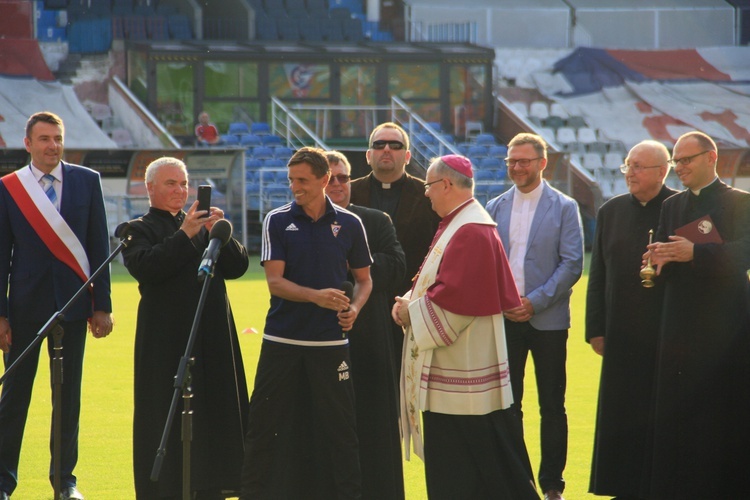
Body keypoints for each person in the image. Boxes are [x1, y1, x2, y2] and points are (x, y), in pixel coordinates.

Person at [393, 154, 539, 499]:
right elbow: (439, 284)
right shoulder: (462, 222)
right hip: (461, 367)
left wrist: (409, 313)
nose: (426, 194)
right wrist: (412, 299)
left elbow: (457, 301)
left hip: (462, 372)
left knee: (472, 467)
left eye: (429, 186)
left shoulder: (470, 229)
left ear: (445, 184)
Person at [241, 147, 373, 499]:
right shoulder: (277, 220)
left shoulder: (349, 223)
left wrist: (355, 309)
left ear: (324, 179)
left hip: (331, 344)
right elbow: (275, 282)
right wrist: (317, 296)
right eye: (291, 180)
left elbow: (365, 280)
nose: (294, 187)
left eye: (302, 180)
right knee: (262, 425)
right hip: (282, 341)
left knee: (342, 430)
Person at [0, 111, 113, 500]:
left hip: (75, 305)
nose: (52, 145)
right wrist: (0, 313)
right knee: (14, 395)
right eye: (44, 139)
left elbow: (99, 247)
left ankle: (65, 482)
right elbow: (0, 256)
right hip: (24, 309)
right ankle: (3, 481)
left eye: (58, 138)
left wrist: (103, 306)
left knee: (68, 395)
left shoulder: (87, 181)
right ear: (28, 143)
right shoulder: (9, 188)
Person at [122, 157, 250, 499]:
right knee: (165, 410)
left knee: (216, 407)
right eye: (170, 184)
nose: (180, 190)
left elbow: (237, 267)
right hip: (166, 339)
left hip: (212, 335)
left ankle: (215, 484)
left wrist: (219, 233)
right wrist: (185, 234)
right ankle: (165, 488)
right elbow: (147, 268)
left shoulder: (201, 224)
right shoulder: (137, 229)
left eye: (183, 184)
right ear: (150, 188)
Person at [644, 131, 750, 498]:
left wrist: (696, 253)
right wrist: (658, 260)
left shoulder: (740, 201)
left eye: (686, 159)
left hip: (726, 325)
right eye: (676, 160)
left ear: (711, 157)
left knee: (722, 412)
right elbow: (669, 254)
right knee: (678, 412)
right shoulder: (672, 205)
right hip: (678, 324)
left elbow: (745, 253)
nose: (680, 167)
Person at [485, 132, 583, 500]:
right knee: (509, 405)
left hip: (548, 321)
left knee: (552, 405)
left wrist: (534, 302)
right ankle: (518, 479)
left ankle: (553, 484)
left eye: (523, 160)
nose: (516, 167)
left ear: (542, 163)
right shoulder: (495, 206)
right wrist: (506, 301)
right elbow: (489, 263)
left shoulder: (564, 206)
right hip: (505, 319)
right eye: (512, 160)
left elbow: (572, 263)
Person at [585, 141, 677, 499]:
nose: (630, 173)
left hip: (665, 333)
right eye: (627, 165)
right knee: (619, 415)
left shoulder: (680, 209)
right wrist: (595, 329)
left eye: (638, 166)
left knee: (659, 413)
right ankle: (619, 486)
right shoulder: (610, 211)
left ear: (661, 171)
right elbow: (598, 276)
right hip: (619, 334)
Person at [325, 150, 406, 499]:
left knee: (375, 427)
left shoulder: (374, 220)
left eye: (344, 177)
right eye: (330, 179)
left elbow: (398, 267)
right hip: (317, 341)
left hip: (370, 338)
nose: (339, 184)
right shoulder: (293, 224)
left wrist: (355, 265)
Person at [350, 122, 440, 374]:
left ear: (407, 155)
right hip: (361, 307)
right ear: (368, 156)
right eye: (379, 145)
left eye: (395, 145)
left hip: (413, 306)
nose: (386, 149)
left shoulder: (428, 195)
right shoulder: (347, 194)